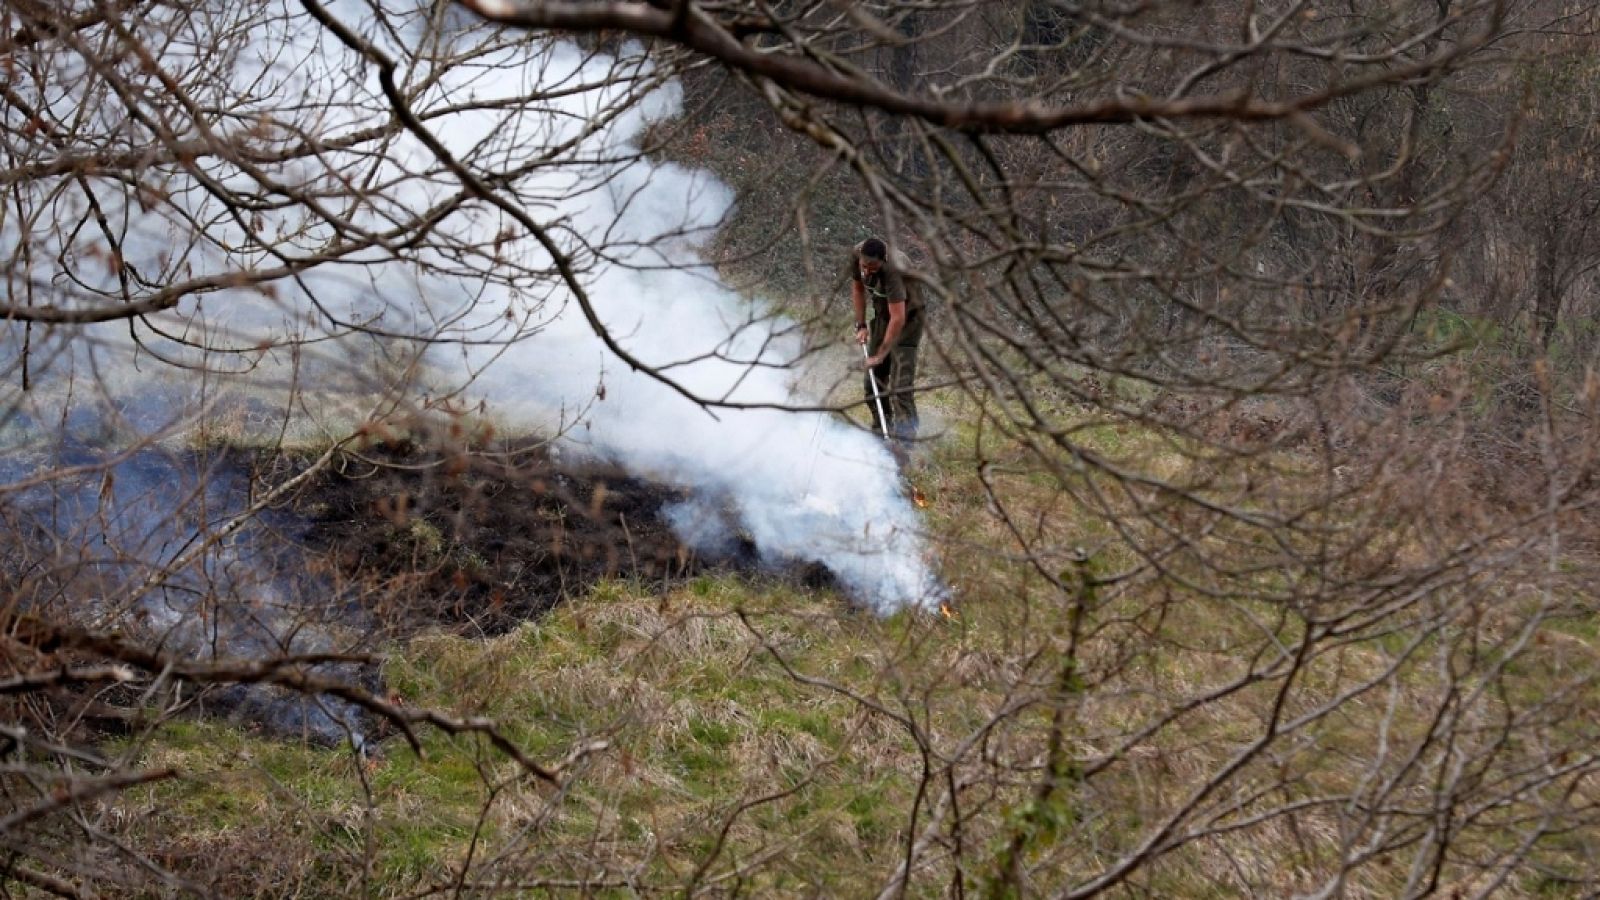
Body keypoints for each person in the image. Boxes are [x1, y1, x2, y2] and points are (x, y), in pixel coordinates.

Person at [848, 237, 925, 462]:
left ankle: (904, 448)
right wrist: (861, 325)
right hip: (883, 317)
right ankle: (882, 434)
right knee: (872, 381)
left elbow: (898, 318)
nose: (867, 271)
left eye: (873, 267)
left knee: (900, 387)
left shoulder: (895, 270)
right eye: (864, 266)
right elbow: (858, 289)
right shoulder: (857, 254)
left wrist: (881, 355)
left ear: (883, 260)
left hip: (908, 320)